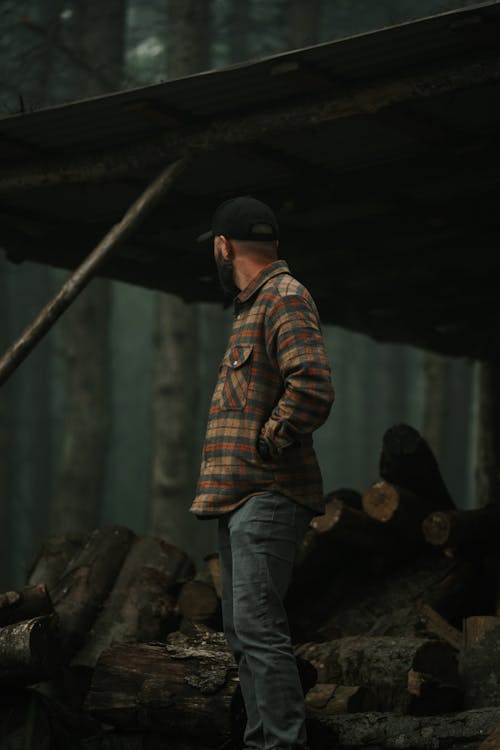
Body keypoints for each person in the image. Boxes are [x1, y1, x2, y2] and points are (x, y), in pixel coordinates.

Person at [191, 196, 334, 750]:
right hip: (238, 496)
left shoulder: (283, 297)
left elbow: (314, 385)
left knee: (258, 628)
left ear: (224, 247)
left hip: (267, 492)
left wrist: (268, 440)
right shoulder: (256, 304)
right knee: (243, 632)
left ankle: (279, 745)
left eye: (214, 248)